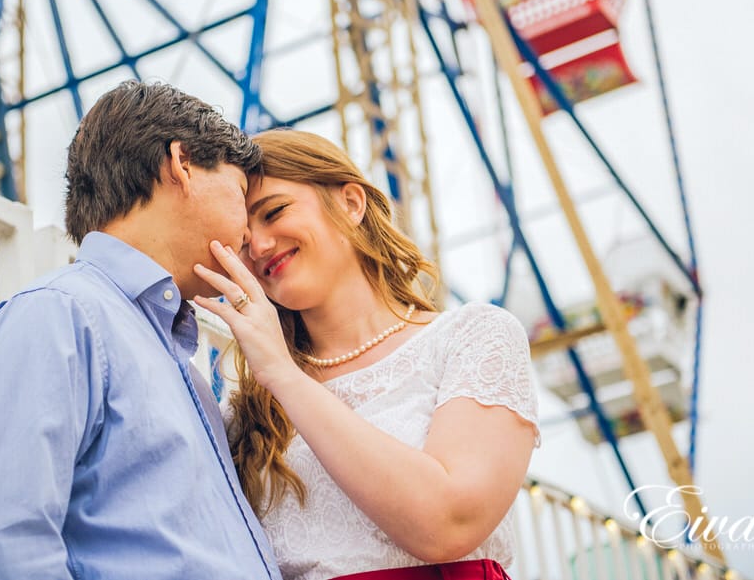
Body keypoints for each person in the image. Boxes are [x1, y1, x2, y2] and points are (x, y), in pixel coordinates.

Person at [0, 81, 282, 579]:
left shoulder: (174, 362)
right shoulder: (56, 316)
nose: (250, 236)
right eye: (238, 195)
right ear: (182, 164)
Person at [193, 130, 541, 580]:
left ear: (352, 203)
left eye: (274, 212)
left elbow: (449, 524)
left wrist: (284, 374)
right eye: (241, 241)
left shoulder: (473, 337)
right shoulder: (247, 411)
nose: (258, 247)